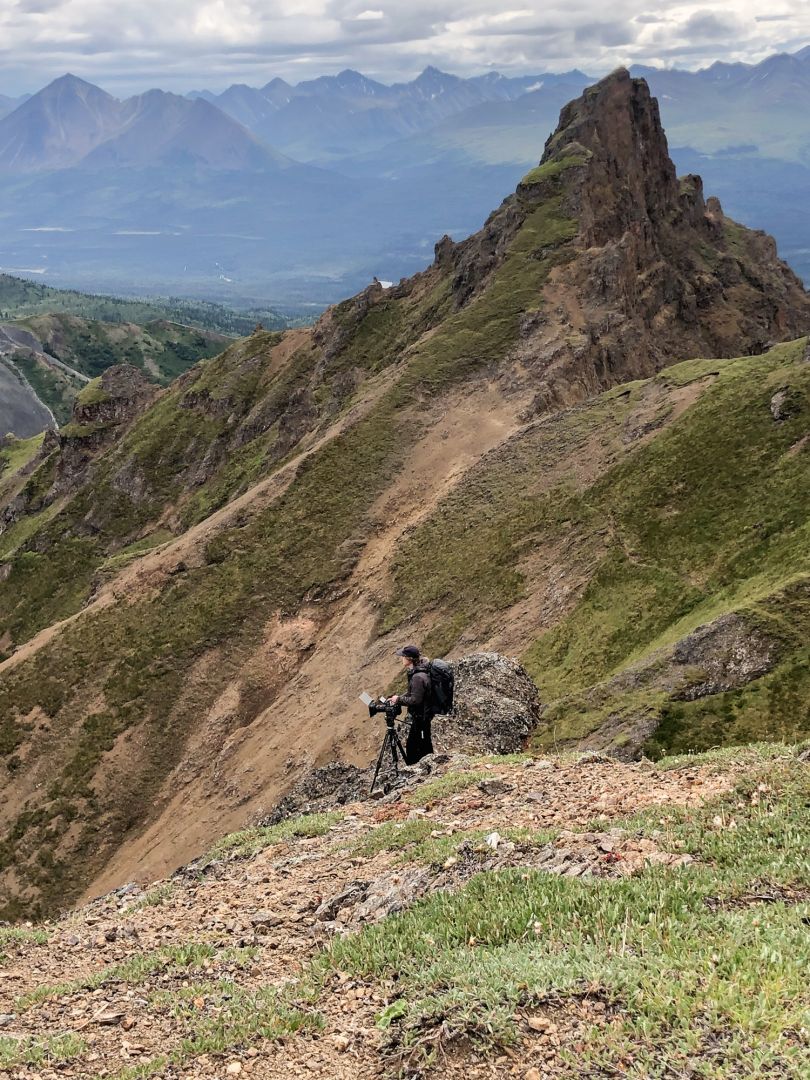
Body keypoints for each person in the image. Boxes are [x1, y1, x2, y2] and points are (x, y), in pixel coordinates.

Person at [389, 644, 435, 764]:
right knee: (418, 746)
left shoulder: (417, 677)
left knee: (417, 749)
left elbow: (415, 700)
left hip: (422, 718)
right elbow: (413, 692)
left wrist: (398, 700)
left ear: (409, 659)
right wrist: (398, 698)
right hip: (422, 717)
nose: (401, 659)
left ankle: (423, 770)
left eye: (403, 656)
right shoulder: (419, 672)